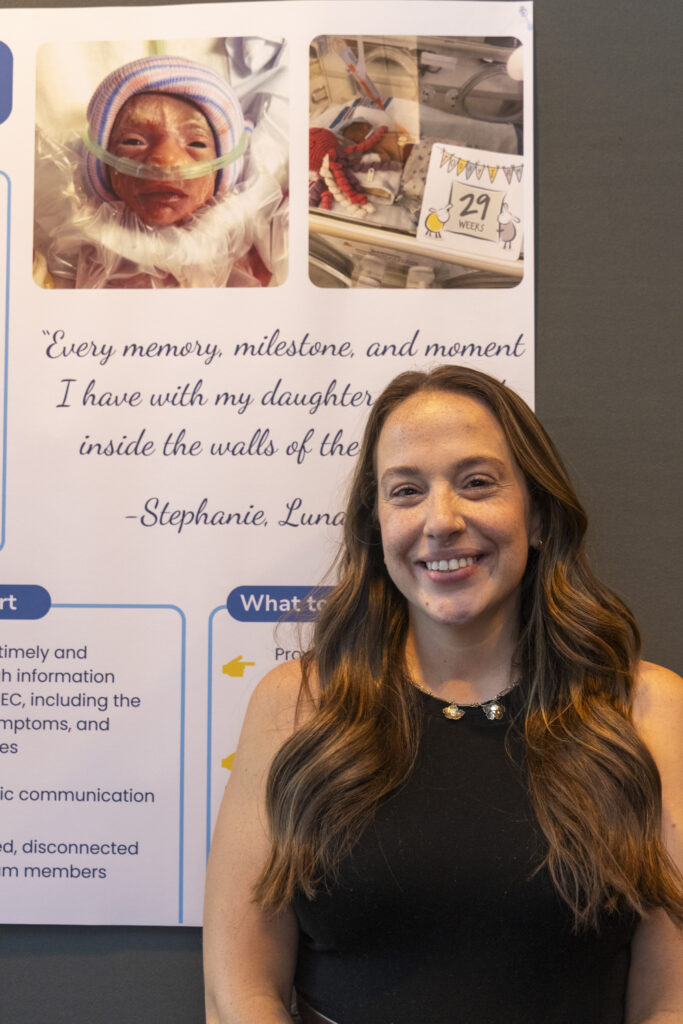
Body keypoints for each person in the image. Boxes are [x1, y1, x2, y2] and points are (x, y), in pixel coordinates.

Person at [203, 366, 683, 1024]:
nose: (441, 520)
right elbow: (239, 988)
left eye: (476, 483)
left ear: (537, 514)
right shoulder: (295, 706)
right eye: (406, 491)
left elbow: (671, 995)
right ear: (377, 527)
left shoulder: (645, 708)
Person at [33, 54, 287, 288]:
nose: (166, 161)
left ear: (222, 173)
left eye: (196, 144)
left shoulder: (248, 245)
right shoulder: (67, 238)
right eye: (133, 142)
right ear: (102, 166)